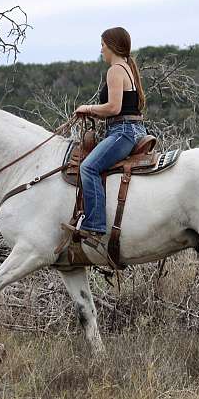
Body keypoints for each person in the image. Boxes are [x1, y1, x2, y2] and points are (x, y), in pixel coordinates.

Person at [66, 27, 147, 243]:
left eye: (102, 45)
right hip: (132, 129)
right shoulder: (127, 68)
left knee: (88, 167)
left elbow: (113, 108)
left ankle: (94, 225)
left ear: (112, 46)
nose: (101, 49)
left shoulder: (115, 70)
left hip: (123, 132)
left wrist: (87, 108)